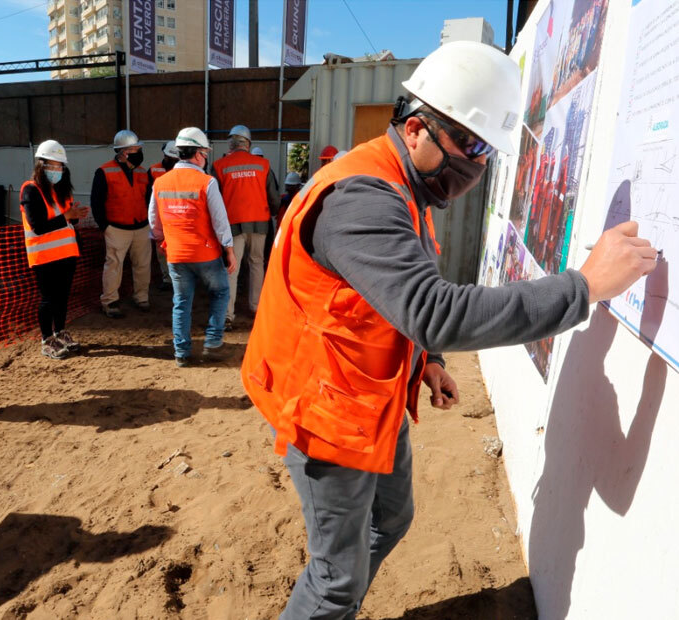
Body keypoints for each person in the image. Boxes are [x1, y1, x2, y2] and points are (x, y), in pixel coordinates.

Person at [240, 41, 658, 618]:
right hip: (328, 415)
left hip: (371, 397)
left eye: (487, 151)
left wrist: (426, 360)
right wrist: (583, 286)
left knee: (392, 517)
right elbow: (434, 307)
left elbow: (395, 300)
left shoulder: (402, 189)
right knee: (335, 580)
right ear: (416, 130)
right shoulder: (361, 199)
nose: (478, 164)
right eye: (472, 145)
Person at [149, 127, 237, 367]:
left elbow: (154, 221)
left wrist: (161, 242)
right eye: (205, 153)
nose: (206, 157)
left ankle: (181, 353)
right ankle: (212, 342)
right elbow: (220, 220)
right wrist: (228, 249)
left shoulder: (160, 183)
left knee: (181, 301)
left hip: (176, 255)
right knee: (220, 292)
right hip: (205, 253)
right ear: (198, 154)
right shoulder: (206, 182)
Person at [20, 140, 88, 359]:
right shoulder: (31, 190)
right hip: (45, 257)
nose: (56, 170)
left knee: (62, 297)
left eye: (60, 166)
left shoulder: (61, 191)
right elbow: (38, 226)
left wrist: (74, 216)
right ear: (41, 165)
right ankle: (47, 339)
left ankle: (60, 331)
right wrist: (67, 216)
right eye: (51, 165)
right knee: (48, 299)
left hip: (67, 255)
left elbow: (67, 223)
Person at [212, 124, 280, 329]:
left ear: (230, 144)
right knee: (257, 264)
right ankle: (256, 307)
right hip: (260, 223)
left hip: (232, 225)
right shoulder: (263, 165)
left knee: (232, 269)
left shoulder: (219, 166)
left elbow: (213, 199)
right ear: (248, 144)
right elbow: (274, 197)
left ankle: (227, 315)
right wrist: (272, 212)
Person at [91, 129, 151, 318]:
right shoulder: (104, 172)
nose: (139, 152)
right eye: (136, 148)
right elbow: (96, 201)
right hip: (116, 228)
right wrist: (105, 226)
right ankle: (110, 301)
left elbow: (149, 199)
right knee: (114, 266)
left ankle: (141, 297)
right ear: (125, 152)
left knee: (143, 264)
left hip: (141, 226)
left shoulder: (142, 172)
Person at [147, 140, 180, 291]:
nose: (171, 161)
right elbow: (148, 195)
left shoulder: (181, 171)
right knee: (161, 250)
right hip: (160, 218)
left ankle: (179, 278)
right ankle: (167, 279)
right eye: (169, 158)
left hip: (177, 216)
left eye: (174, 159)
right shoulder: (153, 170)